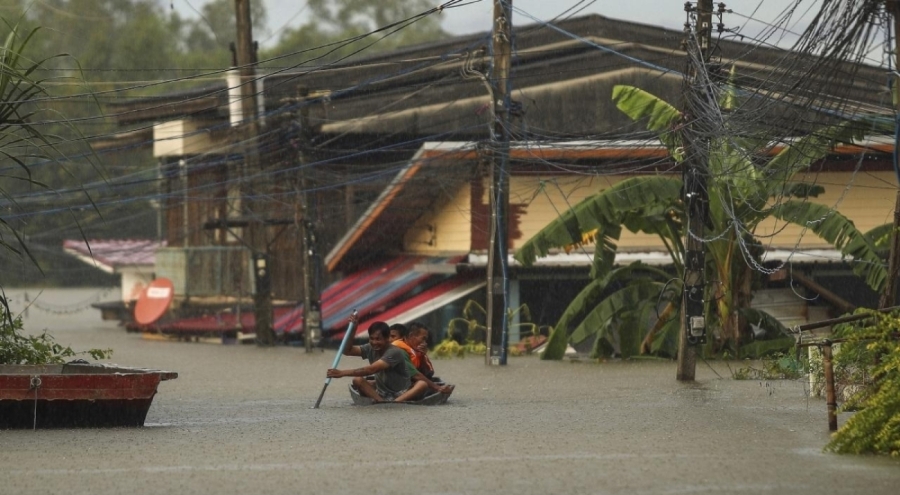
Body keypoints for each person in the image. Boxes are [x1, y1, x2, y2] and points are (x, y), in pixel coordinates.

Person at [326, 319, 427, 403]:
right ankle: (381, 402)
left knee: (422, 384)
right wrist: (353, 329)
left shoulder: (395, 352)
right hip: (382, 393)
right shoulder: (370, 347)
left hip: (401, 393)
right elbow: (347, 350)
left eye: (378, 339)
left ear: (387, 338)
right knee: (357, 380)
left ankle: (395, 402)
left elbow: (371, 370)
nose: (374, 342)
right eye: (372, 338)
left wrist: (342, 373)